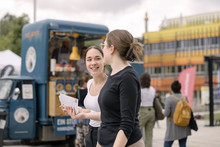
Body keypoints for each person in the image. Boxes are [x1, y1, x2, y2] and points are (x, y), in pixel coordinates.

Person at [97, 29, 144, 147]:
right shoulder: (113, 74)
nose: (102, 50)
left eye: (104, 46)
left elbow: (127, 123)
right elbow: (109, 116)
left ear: (111, 49)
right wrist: (84, 113)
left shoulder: (127, 77)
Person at [63, 46, 107, 147]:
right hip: (90, 132)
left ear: (104, 60)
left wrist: (84, 115)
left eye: (98, 58)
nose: (93, 63)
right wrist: (78, 110)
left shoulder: (111, 84)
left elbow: (112, 116)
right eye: (89, 59)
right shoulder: (90, 83)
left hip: (106, 134)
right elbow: (93, 110)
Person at [163, 80, 191, 147]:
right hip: (184, 125)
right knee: (183, 144)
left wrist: (163, 111)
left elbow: (166, 114)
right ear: (180, 88)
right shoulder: (185, 98)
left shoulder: (169, 99)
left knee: (167, 144)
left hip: (172, 127)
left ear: (171, 89)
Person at [138, 72, 156, 147]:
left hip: (142, 111)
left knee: (137, 132)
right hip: (151, 111)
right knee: (149, 135)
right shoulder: (152, 89)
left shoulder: (140, 90)